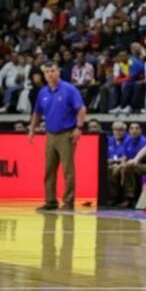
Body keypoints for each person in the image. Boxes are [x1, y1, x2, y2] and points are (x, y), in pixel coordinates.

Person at [29, 61, 87, 211]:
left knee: (68, 170)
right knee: (49, 169)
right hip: (50, 135)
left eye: (53, 71)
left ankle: (68, 202)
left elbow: (81, 109)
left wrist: (79, 128)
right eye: (47, 71)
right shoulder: (43, 92)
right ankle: (50, 201)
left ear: (58, 72)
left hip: (66, 134)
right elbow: (37, 112)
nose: (50, 74)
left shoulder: (69, 89)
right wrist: (32, 129)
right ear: (44, 74)